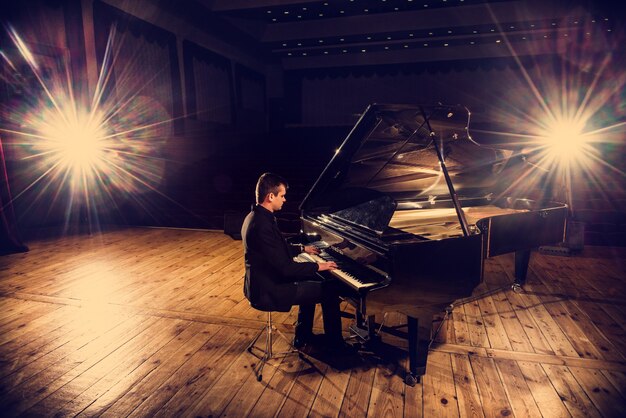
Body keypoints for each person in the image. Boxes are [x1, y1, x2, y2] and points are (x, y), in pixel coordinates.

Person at [241, 172, 348, 350]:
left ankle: (303, 335)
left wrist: (302, 249)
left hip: (261, 282)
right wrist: (318, 265)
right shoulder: (262, 225)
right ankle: (335, 346)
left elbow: (273, 250)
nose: (284, 200)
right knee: (329, 290)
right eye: (282, 196)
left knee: (313, 281)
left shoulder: (255, 216)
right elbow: (286, 269)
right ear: (270, 196)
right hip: (269, 289)